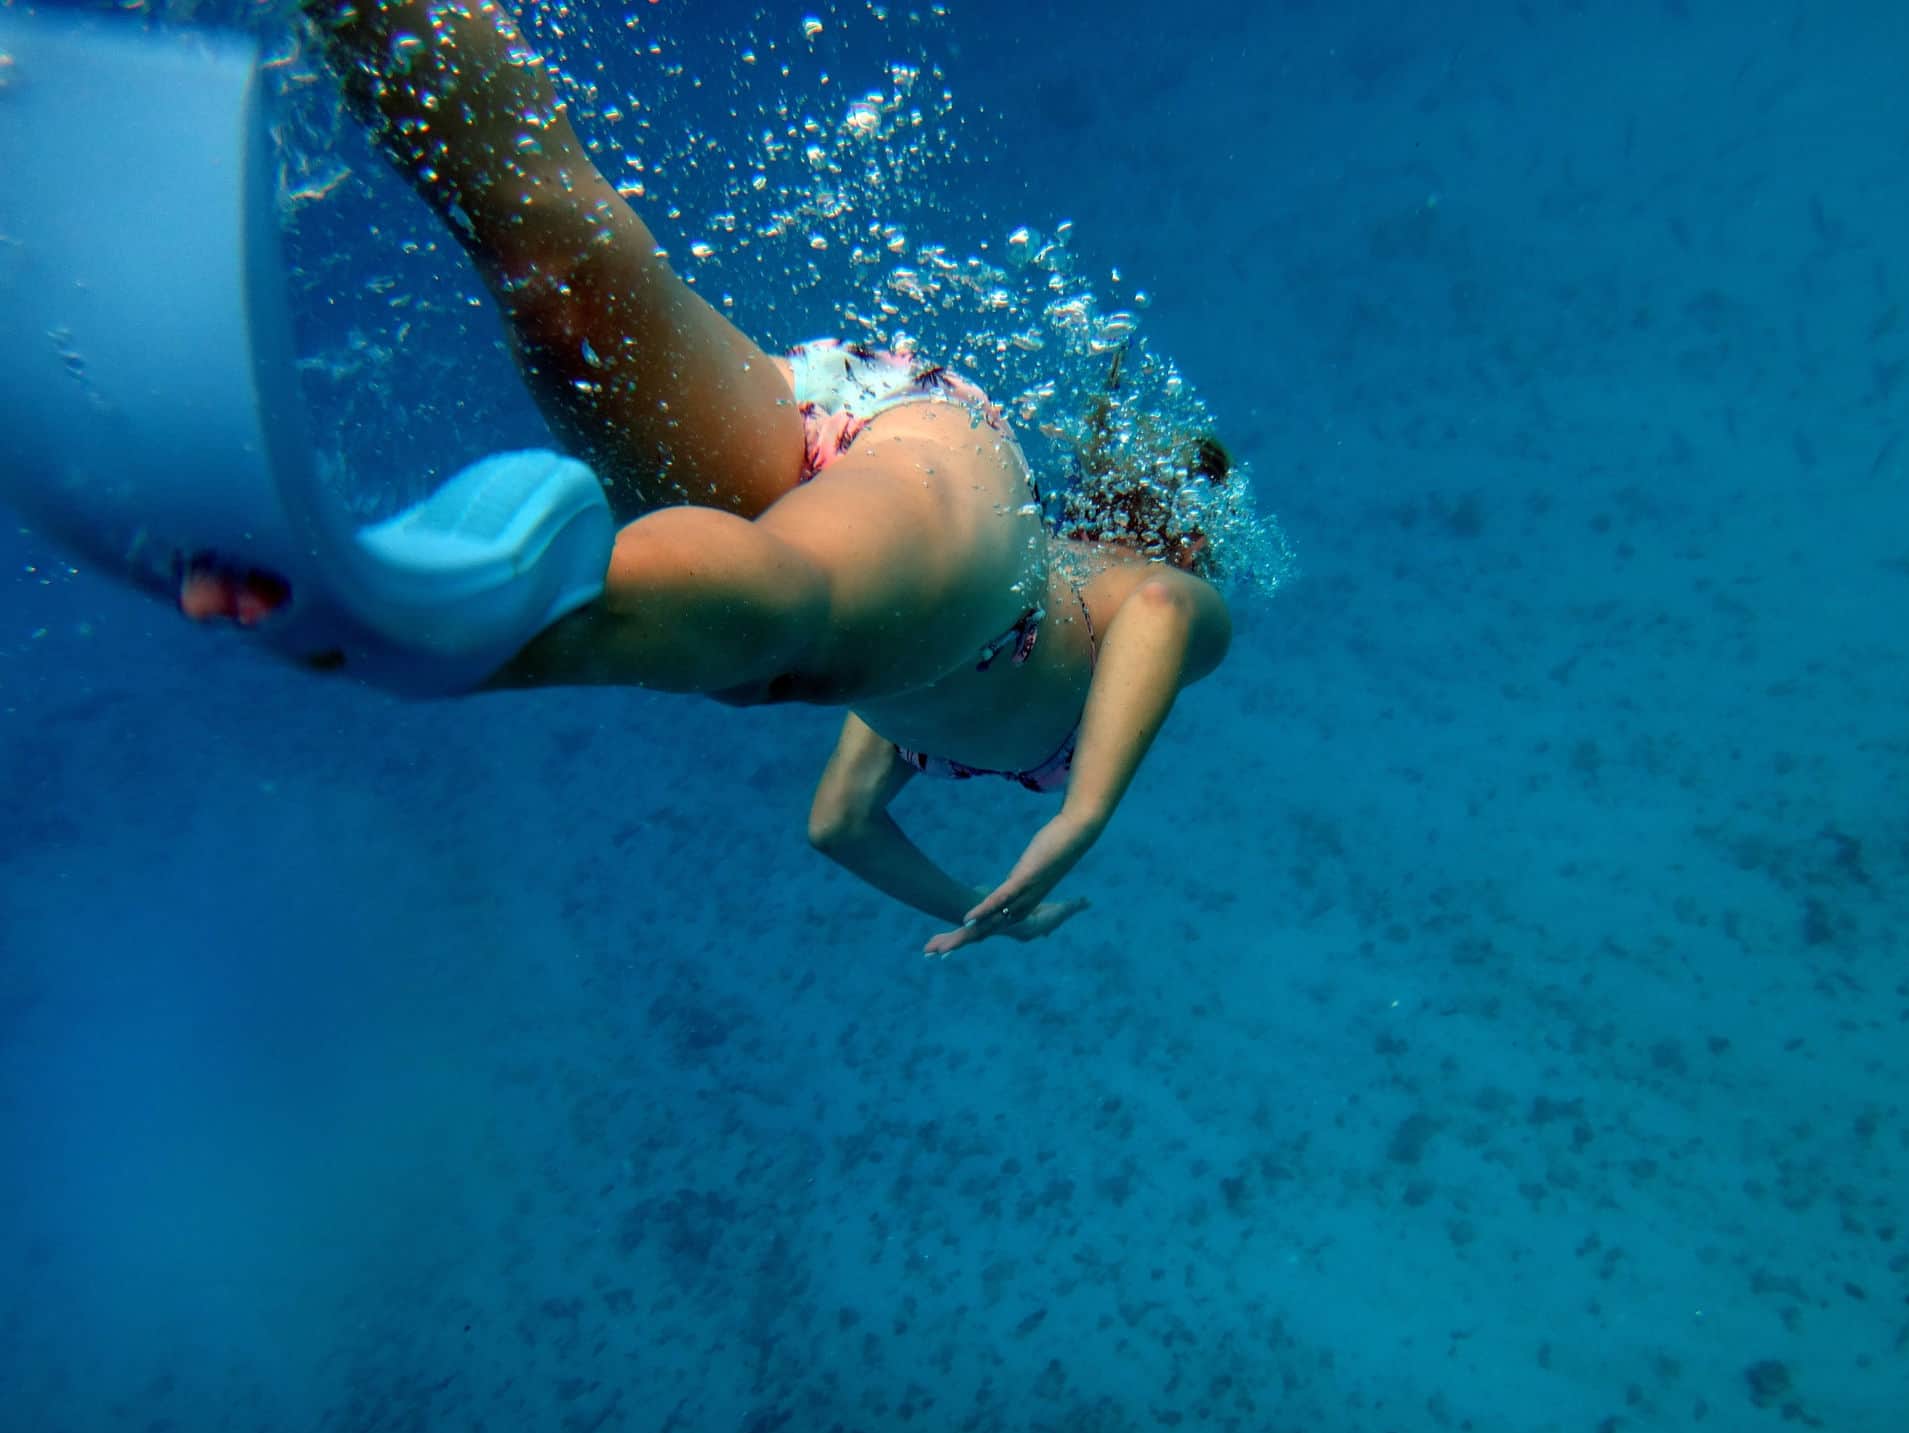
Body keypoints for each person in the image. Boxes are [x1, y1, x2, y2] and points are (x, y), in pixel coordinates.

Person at [185, 0, 1245, 956]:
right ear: (1192, 538)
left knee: (560, 286)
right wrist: (1080, 814)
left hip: (868, 463)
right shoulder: (1145, 595)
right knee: (782, 631)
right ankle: (411, 618)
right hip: (950, 522)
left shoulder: (908, 659)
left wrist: (981, 910)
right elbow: (1158, 607)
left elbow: (838, 826)